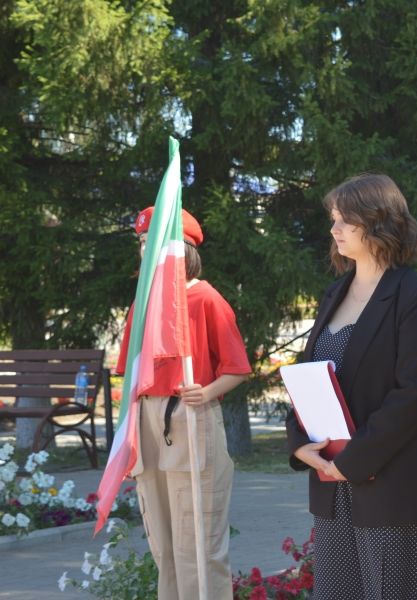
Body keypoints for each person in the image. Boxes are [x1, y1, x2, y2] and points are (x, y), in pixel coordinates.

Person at [286, 173, 417, 600]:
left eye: (346, 219)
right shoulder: (333, 293)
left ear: (379, 222)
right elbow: (313, 376)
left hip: (397, 483)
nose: (335, 229)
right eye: (333, 219)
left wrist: (354, 459)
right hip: (334, 482)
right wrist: (299, 443)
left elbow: (414, 393)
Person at [117, 207, 251, 600]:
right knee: (163, 542)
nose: (145, 251)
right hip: (147, 422)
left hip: (191, 419)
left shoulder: (206, 298)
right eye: (142, 244)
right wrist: (127, 440)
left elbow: (238, 369)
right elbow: (130, 379)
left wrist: (207, 392)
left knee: (199, 542)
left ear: (183, 250)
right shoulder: (142, 303)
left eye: (154, 243)